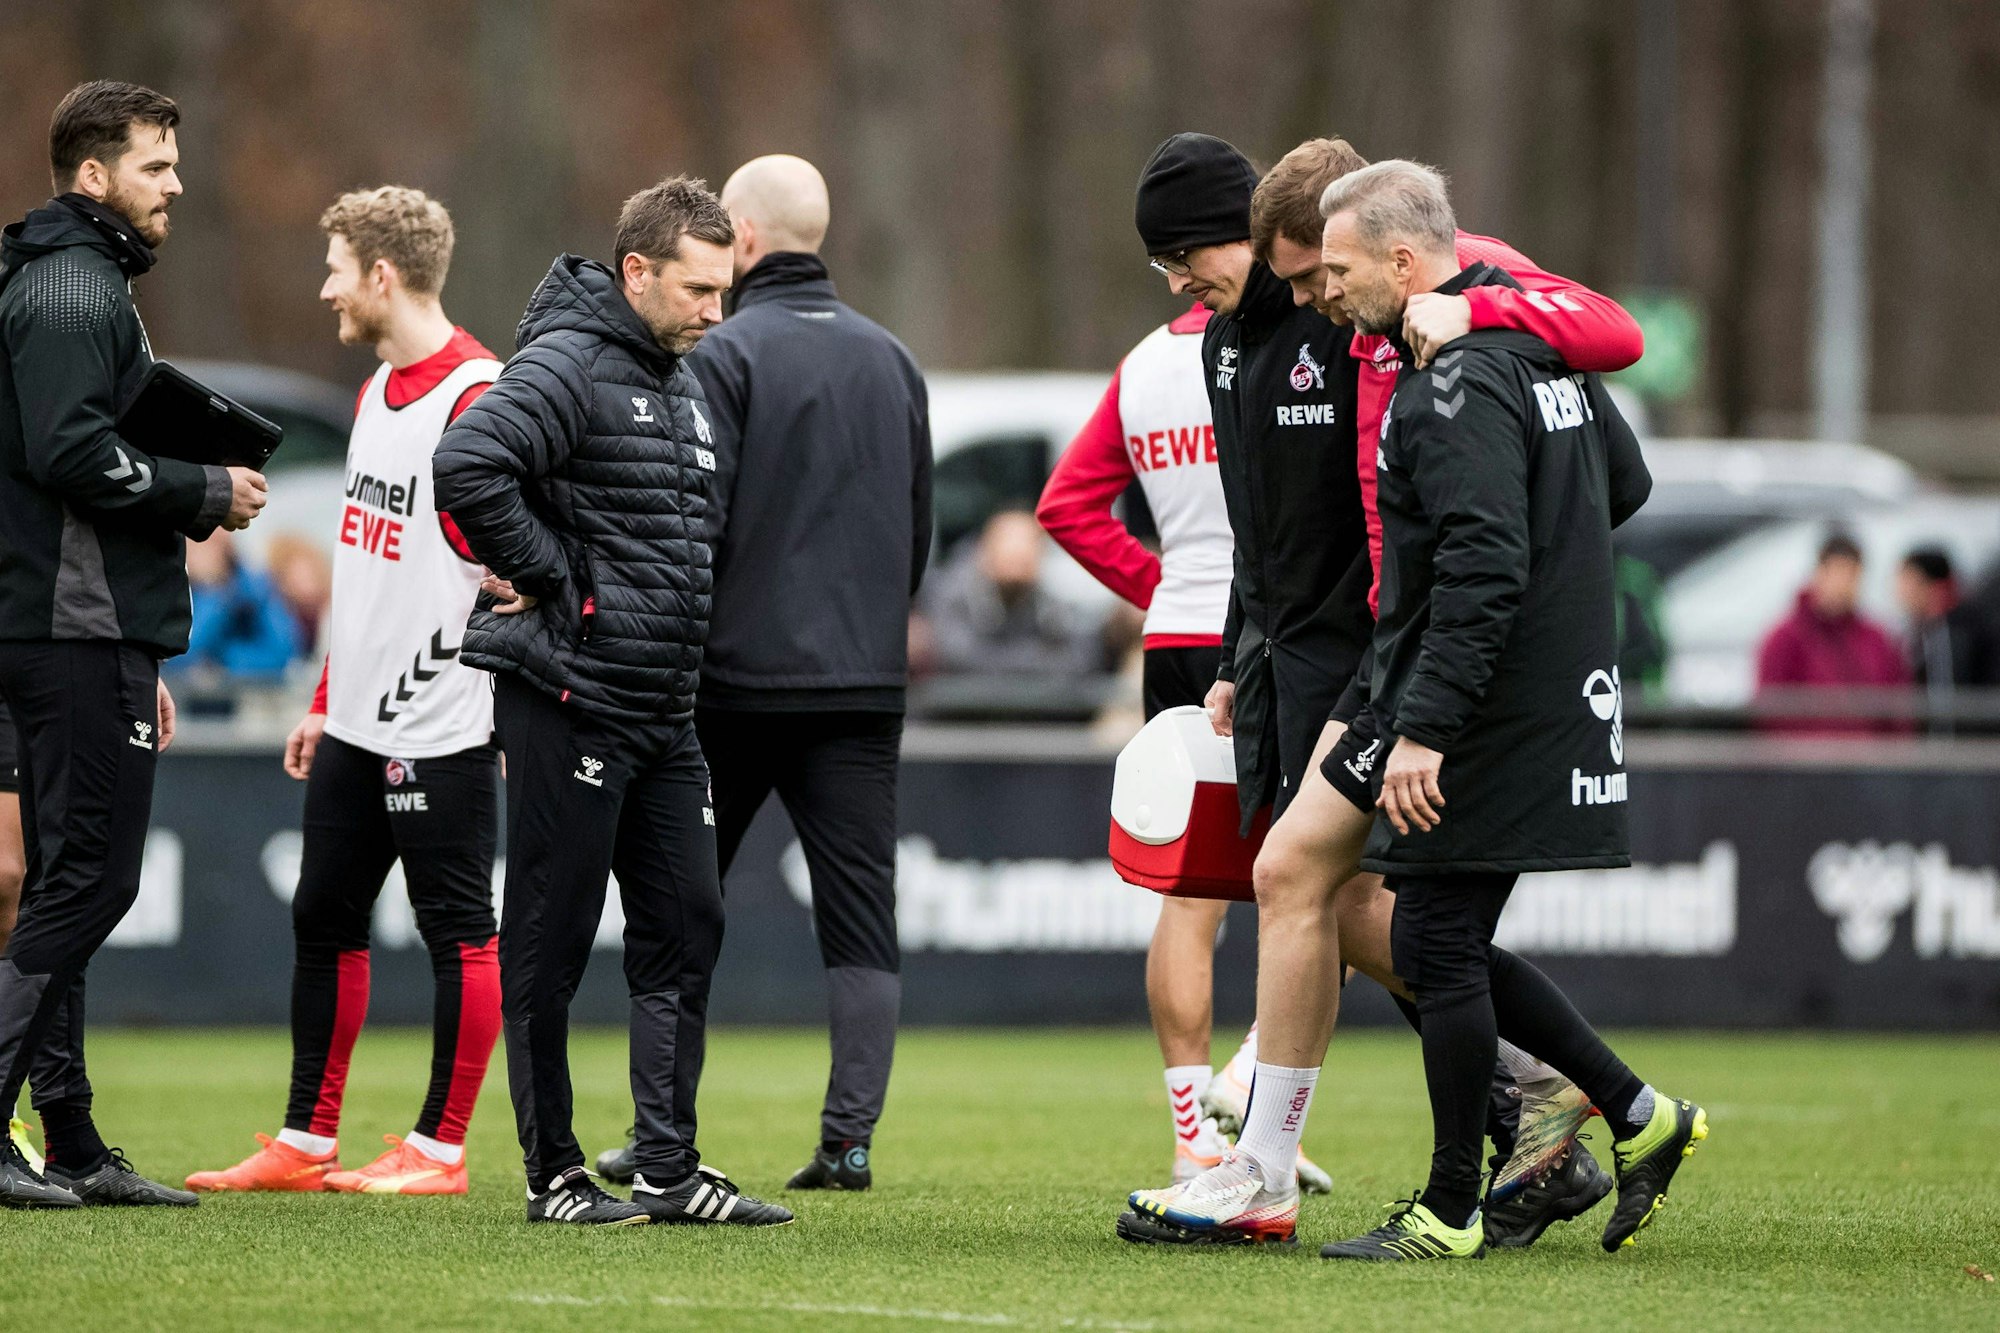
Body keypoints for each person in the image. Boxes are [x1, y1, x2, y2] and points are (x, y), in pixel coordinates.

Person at [1122, 135, 1638, 1249]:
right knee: (1346, 903)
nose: (1175, 283)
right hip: (1309, 659)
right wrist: (1232, 652)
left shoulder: (1410, 283)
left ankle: (1301, 1165)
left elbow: (1613, 341)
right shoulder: (1237, 335)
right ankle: (1560, 1100)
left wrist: (1488, 315)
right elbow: (1258, 531)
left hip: (1386, 660)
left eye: (1182, 255)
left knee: (1319, 889)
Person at [1308, 160, 1704, 1262]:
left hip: (1485, 700)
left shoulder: (1457, 377)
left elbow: (1479, 568)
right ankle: (1635, 1114)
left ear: (1402, 259)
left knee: (1432, 936)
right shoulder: (1540, 359)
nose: (1328, 291)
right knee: (1442, 936)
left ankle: (1447, 1210)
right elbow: (1618, 483)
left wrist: (1426, 724)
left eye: (1338, 269)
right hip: (1538, 687)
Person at [433, 175, 790, 1228]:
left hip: (663, 710)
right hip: (570, 698)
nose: (714, 312)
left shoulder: (677, 374)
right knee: (550, 940)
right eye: (696, 289)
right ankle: (553, 1177)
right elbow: (467, 462)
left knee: (689, 921)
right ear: (635, 271)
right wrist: (557, 579)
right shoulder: (566, 362)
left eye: (723, 289)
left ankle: (669, 1170)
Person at [589, 155, 929, 1194]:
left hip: (728, 683)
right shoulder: (893, 359)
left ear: (737, 234)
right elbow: (916, 527)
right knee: (860, 913)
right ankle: (849, 1141)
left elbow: (693, 517)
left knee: (682, 904)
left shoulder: (719, 355)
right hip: (861, 686)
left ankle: (663, 1136)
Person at [186, 186, 505, 1198]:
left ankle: (440, 1149)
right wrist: (327, 694)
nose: (324, 286)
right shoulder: (375, 391)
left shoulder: (479, 395)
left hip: (443, 720)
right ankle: (305, 1138)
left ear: (382, 273)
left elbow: (515, 557)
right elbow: (367, 566)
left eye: (334, 266)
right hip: (356, 722)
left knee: (458, 928)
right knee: (324, 916)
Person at [0, 79, 266, 1209]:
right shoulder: (69, 291)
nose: (177, 186)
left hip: (81, 628)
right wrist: (204, 487)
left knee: (66, 880)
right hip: (73, 626)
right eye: (156, 166)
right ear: (94, 175)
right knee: (92, 886)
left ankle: (71, 1142)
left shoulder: (67, 278)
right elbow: (70, 456)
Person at [1037, 298, 1333, 1193]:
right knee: (1324, 875)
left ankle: (1195, 1138)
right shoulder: (1303, 340)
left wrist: (1162, 583)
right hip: (1281, 636)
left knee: (1190, 898)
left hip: (1177, 641)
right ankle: (1253, 1082)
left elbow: (1067, 507)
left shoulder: (1142, 362)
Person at [1756, 533, 1909, 734]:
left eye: (1852, 575)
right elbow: (1771, 714)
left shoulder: (1877, 639)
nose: (1844, 584)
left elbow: (1898, 706)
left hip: (1870, 760)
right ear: (1819, 573)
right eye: (1838, 572)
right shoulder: (1785, 639)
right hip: (1807, 761)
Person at [922, 510, 1106, 677]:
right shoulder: (952, 595)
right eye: (1009, 547)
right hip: (957, 706)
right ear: (984, 553)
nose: (1018, 554)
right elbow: (955, 656)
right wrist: (1038, 659)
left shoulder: (1050, 601)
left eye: (1027, 548)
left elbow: (1081, 657)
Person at [170, 531, 301, 683]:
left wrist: (220, 661)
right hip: (184, 700)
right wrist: (212, 592)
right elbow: (174, 655)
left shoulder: (256, 586)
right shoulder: (169, 588)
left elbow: (282, 653)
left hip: (251, 698)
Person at [1898, 546, 2000, 733]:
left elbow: (1944, 699)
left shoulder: (1957, 632)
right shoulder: (1915, 632)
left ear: (1929, 585)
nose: (1899, 590)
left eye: (1906, 580)